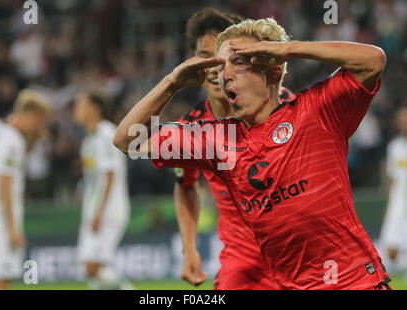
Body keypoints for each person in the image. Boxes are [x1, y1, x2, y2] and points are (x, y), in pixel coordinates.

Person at [113, 18, 390, 289]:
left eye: (240, 61)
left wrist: (289, 49)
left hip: (357, 283)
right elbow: (128, 140)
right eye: (222, 67)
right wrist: (171, 83)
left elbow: (373, 60)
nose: (224, 75)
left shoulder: (316, 111)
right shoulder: (217, 139)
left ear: (272, 68)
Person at [171, 9, 295, 289]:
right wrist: (189, 249)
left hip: (294, 251)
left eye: (225, 58)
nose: (216, 67)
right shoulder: (192, 129)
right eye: (206, 57)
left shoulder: (286, 105)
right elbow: (184, 184)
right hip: (242, 261)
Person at [0, 89, 52, 290]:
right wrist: (13, 228)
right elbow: (4, 183)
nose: (39, 127)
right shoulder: (13, 140)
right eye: (40, 121)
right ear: (31, 114)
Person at [73, 92, 132, 290]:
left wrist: (100, 212)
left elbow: (110, 175)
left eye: (81, 104)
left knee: (93, 266)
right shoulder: (87, 141)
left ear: (95, 108)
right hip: (94, 210)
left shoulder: (106, 134)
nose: (76, 109)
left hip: (108, 210)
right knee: (90, 269)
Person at [380, 104, 407, 273]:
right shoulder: (395, 147)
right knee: (390, 250)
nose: (403, 122)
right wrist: (388, 207)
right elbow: (391, 179)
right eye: (401, 119)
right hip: (397, 205)